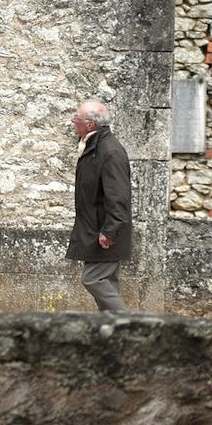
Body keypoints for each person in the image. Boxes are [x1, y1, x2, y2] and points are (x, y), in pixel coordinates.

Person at [65, 99, 133, 311]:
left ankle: (129, 324)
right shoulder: (94, 146)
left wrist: (110, 231)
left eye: (77, 118)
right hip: (96, 228)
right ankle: (113, 332)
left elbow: (118, 195)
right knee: (107, 282)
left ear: (90, 124)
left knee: (94, 279)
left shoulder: (109, 151)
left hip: (103, 231)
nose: (73, 121)